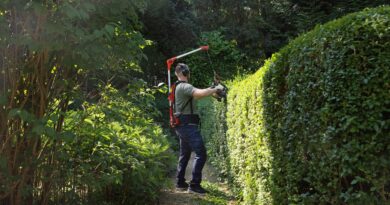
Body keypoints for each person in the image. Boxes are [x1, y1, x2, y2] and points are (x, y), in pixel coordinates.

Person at [173, 63, 224, 194]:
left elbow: (200, 93)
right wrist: (215, 88)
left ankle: (180, 183)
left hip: (182, 125)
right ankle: (194, 185)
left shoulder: (178, 87)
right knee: (201, 154)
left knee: (184, 155)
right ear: (186, 73)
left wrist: (213, 89)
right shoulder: (185, 86)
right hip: (188, 126)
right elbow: (199, 93)